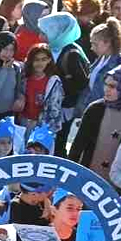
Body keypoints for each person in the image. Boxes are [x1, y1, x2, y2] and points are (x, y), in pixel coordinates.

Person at [69, 62, 121, 182]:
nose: (106, 89)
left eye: (113, 86)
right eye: (106, 84)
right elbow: (77, 147)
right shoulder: (96, 109)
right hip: (90, 179)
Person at [39, 12, 89, 152]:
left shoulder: (72, 54)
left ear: (58, 32)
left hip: (65, 109)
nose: (40, 36)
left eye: (44, 33)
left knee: (59, 143)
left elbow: (82, 83)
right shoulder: (52, 48)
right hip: (52, 108)